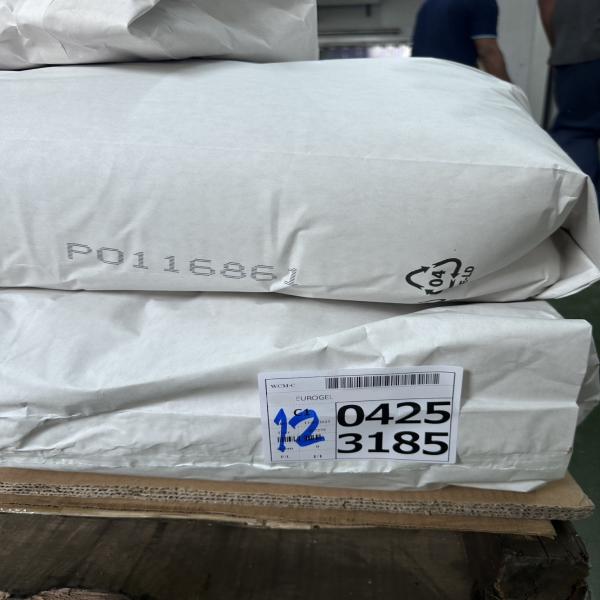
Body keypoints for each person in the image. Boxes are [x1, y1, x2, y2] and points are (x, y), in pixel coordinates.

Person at [538, 0, 600, 197]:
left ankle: (580, 208)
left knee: (577, 132)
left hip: (578, 54)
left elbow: (547, 4)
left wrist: (561, 48)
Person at [411, 0, 511, 82]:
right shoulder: (482, 2)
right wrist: (510, 93)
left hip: (419, 80)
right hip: (454, 83)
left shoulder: (429, 3)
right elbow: (487, 51)